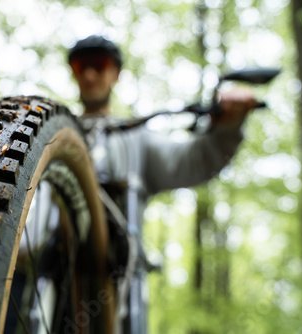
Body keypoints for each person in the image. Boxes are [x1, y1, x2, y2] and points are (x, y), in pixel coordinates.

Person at [67, 35, 256, 332]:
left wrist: (226, 128)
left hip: (121, 291)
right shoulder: (52, 138)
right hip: (52, 280)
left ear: (115, 74)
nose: (90, 74)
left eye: (99, 65)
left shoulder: (136, 138)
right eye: (81, 66)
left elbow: (194, 159)